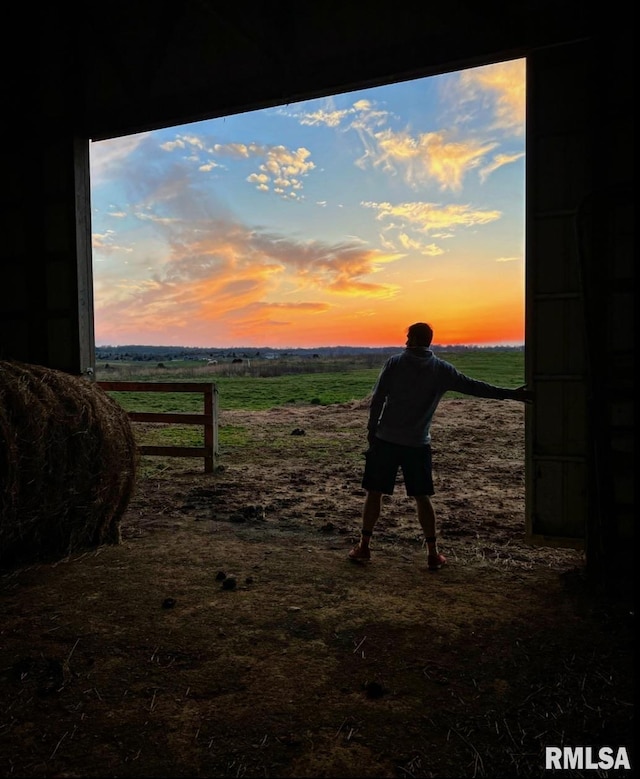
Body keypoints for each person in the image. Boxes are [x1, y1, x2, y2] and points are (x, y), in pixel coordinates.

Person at [348, 322, 533, 571]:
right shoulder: (441, 369)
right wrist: (511, 394)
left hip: (386, 440)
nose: (405, 341)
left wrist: (372, 432)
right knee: (423, 498)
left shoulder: (394, 363)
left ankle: (364, 547)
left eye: (407, 337)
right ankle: (433, 553)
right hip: (418, 443)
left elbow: (377, 399)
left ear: (412, 339)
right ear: (429, 341)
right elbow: (475, 387)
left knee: (374, 493)